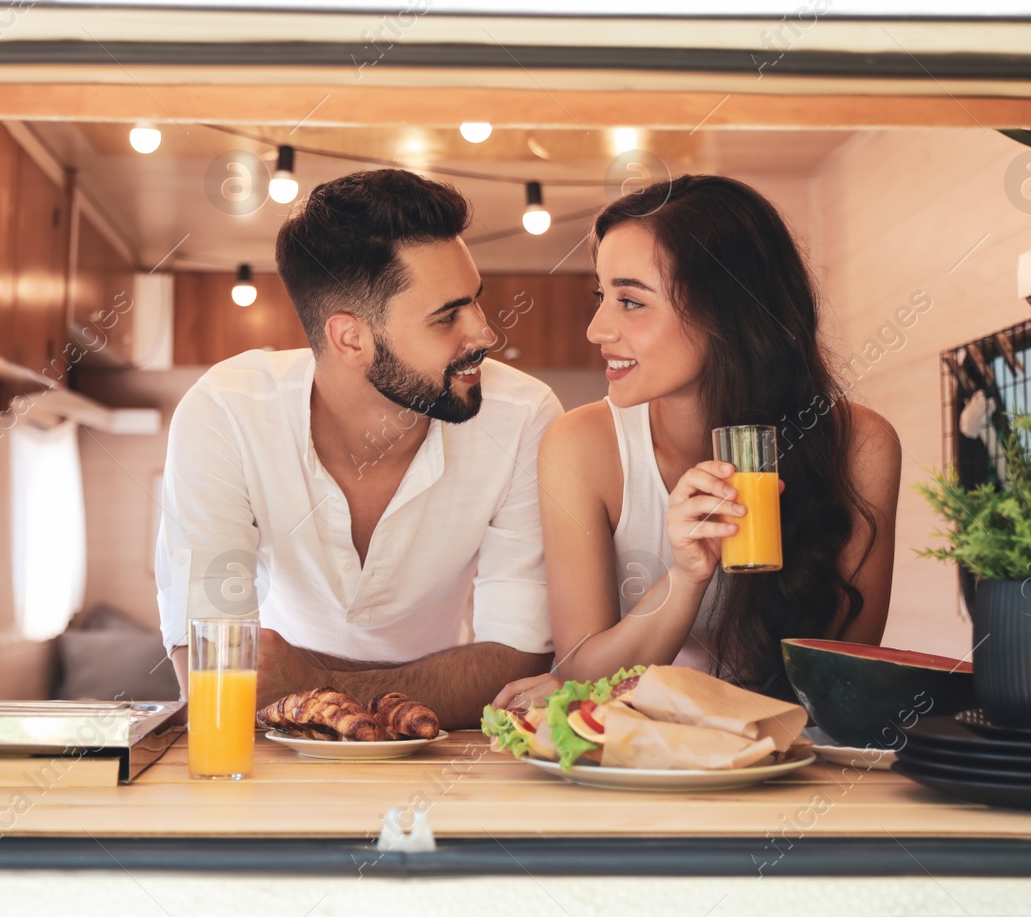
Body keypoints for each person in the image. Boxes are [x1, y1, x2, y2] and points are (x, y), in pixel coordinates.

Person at [156, 169, 559, 728]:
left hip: (436, 749)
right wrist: (441, 679)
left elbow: (520, 665)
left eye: (476, 302)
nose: (485, 334)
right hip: (277, 758)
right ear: (351, 338)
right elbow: (211, 674)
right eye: (447, 316)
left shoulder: (524, 417)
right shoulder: (226, 412)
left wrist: (308, 684)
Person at [492, 175, 901, 710]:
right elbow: (581, 673)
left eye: (631, 302)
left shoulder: (861, 446)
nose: (596, 329)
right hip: (635, 759)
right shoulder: (581, 446)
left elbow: (845, 675)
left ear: (729, 310)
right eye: (602, 295)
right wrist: (686, 576)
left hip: (792, 758)